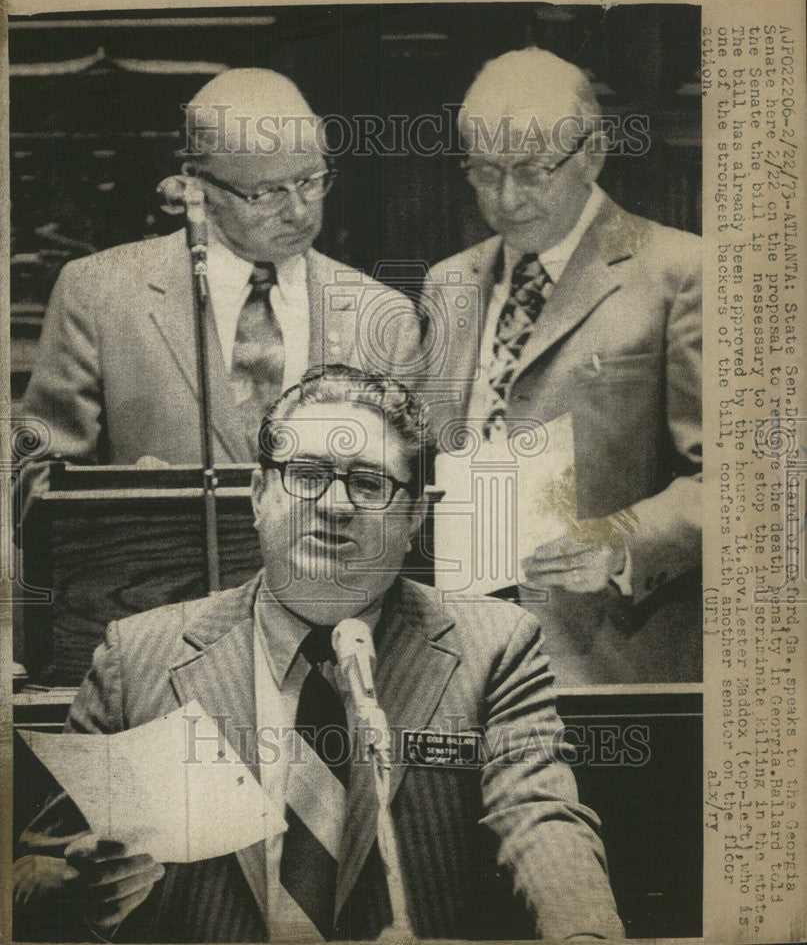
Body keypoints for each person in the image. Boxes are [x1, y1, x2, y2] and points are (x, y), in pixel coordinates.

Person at [15, 365, 624, 943]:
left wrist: (583, 930)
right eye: (307, 474)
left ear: (414, 516)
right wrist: (79, 892)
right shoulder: (138, 657)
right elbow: (33, 874)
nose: (336, 505)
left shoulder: (494, 648)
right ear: (259, 494)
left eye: (369, 483)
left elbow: (541, 820)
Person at [422, 47, 702, 683]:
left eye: (532, 170)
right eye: (484, 171)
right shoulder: (448, 284)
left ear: (593, 154)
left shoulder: (681, 272)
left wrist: (618, 539)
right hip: (458, 653)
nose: (507, 198)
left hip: (608, 659)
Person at [21, 68, 422, 466]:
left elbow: (405, 491)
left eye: (310, 181)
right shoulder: (97, 293)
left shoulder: (384, 316)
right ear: (199, 183)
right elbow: (42, 480)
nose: (298, 213)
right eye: (265, 194)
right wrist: (131, 499)